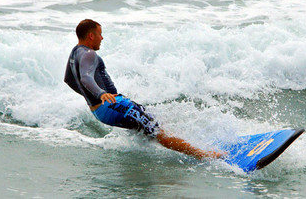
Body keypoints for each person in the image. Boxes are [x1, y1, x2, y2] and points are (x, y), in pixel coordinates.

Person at [64, 19, 224, 160]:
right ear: (91, 36)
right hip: (112, 106)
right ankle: (203, 155)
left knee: (151, 125)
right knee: (158, 132)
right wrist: (101, 94)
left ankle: (188, 146)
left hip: (101, 111)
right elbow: (85, 78)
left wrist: (92, 99)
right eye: (100, 34)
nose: (102, 38)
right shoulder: (89, 54)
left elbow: (69, 80)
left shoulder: (75, 53)